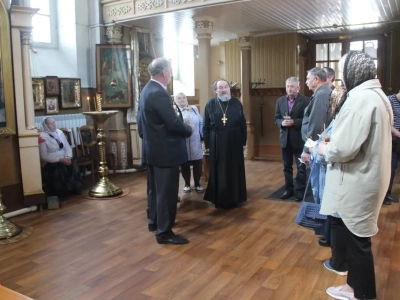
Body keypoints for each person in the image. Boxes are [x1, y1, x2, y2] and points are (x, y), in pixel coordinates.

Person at [318, 51, 392, 300]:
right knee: (355, 238)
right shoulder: (377, 95)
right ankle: (352, 287)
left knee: (358, 242)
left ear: (354, 71)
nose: (342, 77)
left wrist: (325, 147)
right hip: (369, 177)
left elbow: (343, 149)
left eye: (342, 71)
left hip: (358, 180)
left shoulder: (359, 99)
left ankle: (363, 293)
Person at [138, 57, 192, 245]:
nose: (171, 74)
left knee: (154, 191)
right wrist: (188, 130)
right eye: (170, 70)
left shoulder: (146, 90)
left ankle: (154, 222)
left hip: (152, 151)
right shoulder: (159, 93)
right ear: (164, 73)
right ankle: (164, 233)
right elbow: (173, 123)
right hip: (165, 153)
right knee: (166, 194)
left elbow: (140, 124)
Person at [203, 79, 247, 208]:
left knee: (234, 169)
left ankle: (235, 197)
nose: (223, 90)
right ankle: (219, 198)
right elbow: (205, 126)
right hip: (217, 141)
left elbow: (242, 124)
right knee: (219, 170)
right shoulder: (210, 104)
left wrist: (243, 142)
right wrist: (208, 145)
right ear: (216, 91)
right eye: (220, 88)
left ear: (229, 88)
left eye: (226, 87)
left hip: (234, 140)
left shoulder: (237, 103)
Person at [275, 77, 310, 201]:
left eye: (292, 86)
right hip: (285, 139)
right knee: (287, 167)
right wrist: (281, 123)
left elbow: (308, 120)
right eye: (288, 86)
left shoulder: (306, 101)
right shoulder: (280, 101)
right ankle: (288, 190)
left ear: (298, 88)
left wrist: (294, 122)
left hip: (299, 140)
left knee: (301, 167)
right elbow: (277, 118)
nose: (289, 89)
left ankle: (299, 191)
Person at [39, 117, 82, 197]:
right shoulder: (42, 137)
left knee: (74, 162)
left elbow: (68, 147)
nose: (53, 125)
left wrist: (68, 157)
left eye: (54, 122)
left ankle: (75, 187)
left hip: (64, 157)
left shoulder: (60, 132)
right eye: (50, 124)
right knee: (59, 167)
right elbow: (44, 156)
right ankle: (61, 192)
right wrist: (60, 160)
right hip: (51, 161)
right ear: (46, 126)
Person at [175, 92, 204, 193]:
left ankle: (197, 184)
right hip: (184, 142)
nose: (182, 100)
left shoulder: (194, 109)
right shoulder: (175, 112)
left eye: (183, 97)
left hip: (195, 140)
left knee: (198, 163)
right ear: (176, 100)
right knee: (185, 164)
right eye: (179, 98)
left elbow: (200, 121)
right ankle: (187, 184)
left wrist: (202, 135)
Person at [384, 91, 400, 205]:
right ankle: (383, 195)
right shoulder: (389, 100)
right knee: (389, 166)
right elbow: (387, 123)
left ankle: (388, 194)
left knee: (393, 168)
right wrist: (398, 134)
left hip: (397, 139)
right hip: (391, 139)